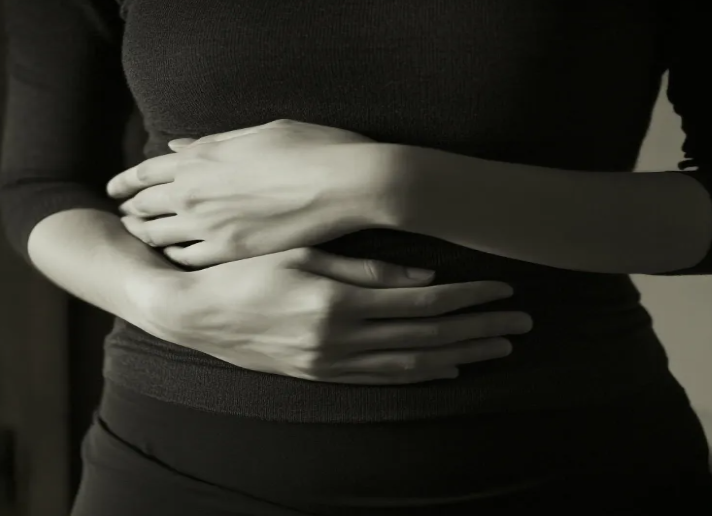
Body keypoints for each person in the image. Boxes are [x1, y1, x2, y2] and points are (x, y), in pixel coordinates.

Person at [1, 0, 711, 514]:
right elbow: (38, 183)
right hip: (179, 473)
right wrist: (165, 303)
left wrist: (388, 185)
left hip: (572, 469)